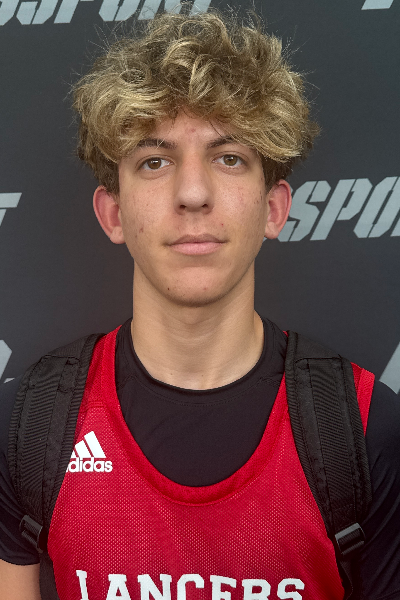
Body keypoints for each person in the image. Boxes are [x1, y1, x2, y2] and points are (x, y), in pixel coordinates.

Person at [1, 10, 400, 600]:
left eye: (229, 156)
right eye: (154, 161)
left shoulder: (365, 429)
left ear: (273, 208)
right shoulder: (28, 423)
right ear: (113, 214)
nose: (192, 193)